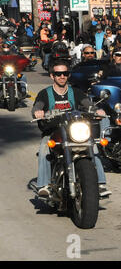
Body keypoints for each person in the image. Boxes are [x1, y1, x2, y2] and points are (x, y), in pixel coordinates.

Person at [32, 60, 112, 198]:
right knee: (45, 148)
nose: (62, 76)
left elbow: (87, 104)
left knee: (92, 146)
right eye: (58, 74)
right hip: (53, 131)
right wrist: (38, 112)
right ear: (52, 76)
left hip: (75, 130)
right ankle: (44, 185)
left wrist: (96, 110)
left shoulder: (76, 92)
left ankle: (99, 184)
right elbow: (37, 106)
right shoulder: (45, 93)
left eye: (65, 73)